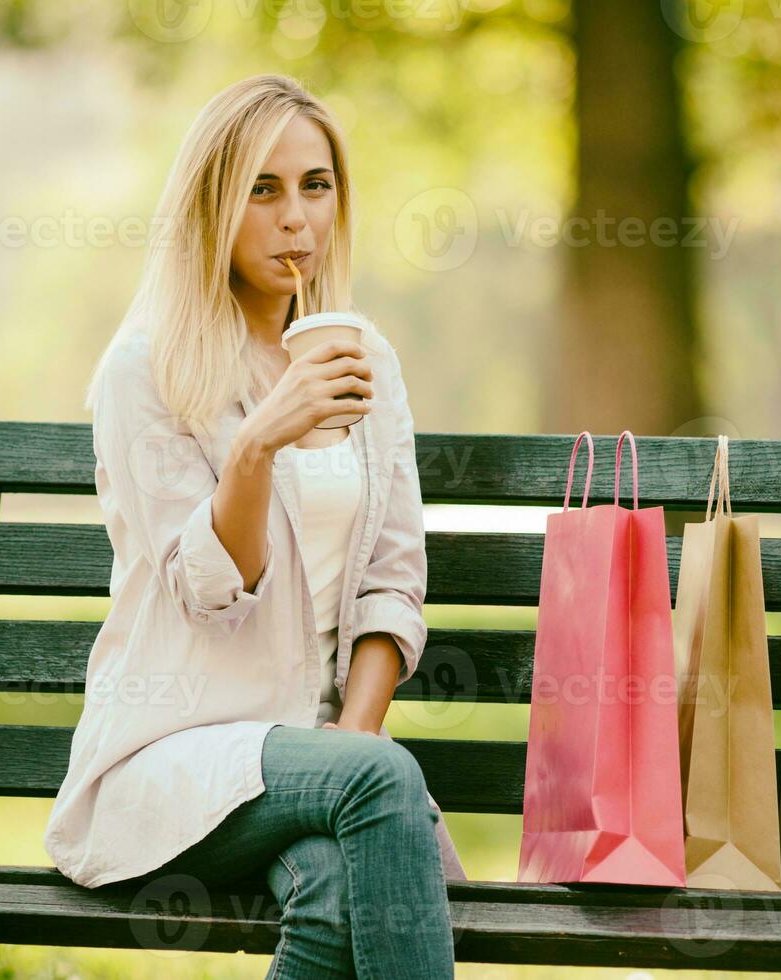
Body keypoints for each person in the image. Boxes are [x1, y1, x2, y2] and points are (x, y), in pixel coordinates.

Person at [43, 73, 463, 979]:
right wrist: (258, 443)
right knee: (388, 782)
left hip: (318, 758)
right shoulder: (145, 369)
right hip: (175, 750)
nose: (295, 218)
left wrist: (354, 736)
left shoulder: (364, 358)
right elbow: (205, 591)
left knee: (338, 887)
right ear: (212, 205)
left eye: (315, 186)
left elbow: (394, 579)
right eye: (263, 190)